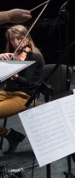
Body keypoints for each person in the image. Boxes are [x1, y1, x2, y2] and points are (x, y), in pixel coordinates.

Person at [0, 25, 45, 153]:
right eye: (12, 40)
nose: (15, 43)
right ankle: (10, 135)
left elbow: (30, 83)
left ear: (27, 38)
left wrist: (15, 76)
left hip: (24, 96)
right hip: (7, 92)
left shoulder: (35, 56)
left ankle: (11, 135)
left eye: (19, 39)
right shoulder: (14, 55)